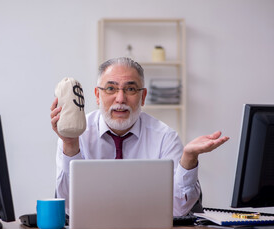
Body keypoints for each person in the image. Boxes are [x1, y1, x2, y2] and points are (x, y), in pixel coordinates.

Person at [50, 57, 229, 216]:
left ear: (143, 96)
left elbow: (178, 209)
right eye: (111, 88)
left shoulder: (165, 138)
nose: (120, 99)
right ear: (98, 95)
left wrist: (189, 158)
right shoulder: (75, 135)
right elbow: (67, 206)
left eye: (130, 89)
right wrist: (70, 144)